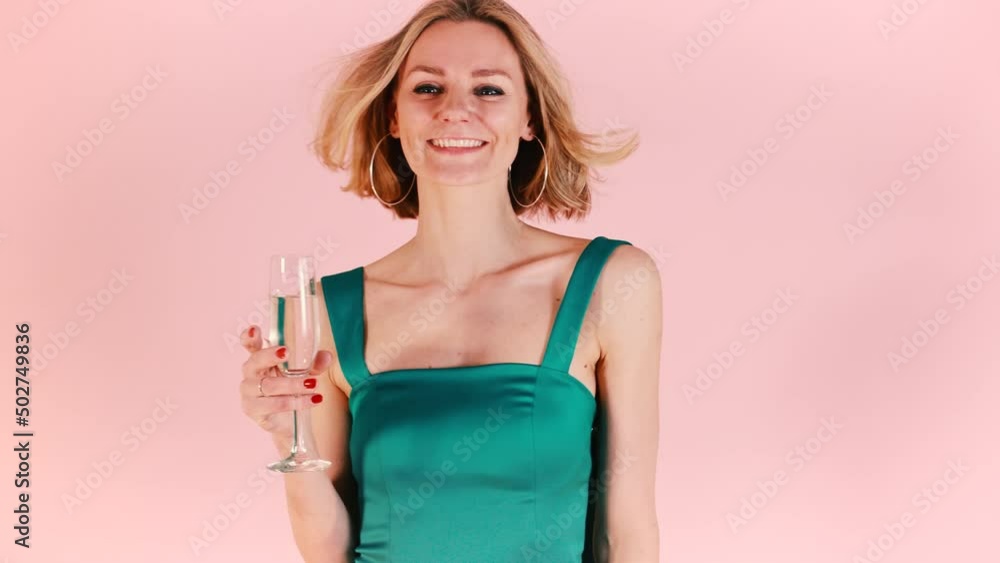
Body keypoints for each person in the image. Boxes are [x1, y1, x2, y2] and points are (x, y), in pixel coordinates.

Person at [239, 1, 661, 560]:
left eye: (488, 89)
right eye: (427, 88)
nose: (455, 110)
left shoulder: (614, 282)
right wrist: (285, 437)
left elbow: (626, 532)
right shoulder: (319, 310)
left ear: (529, 118)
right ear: (394, 116)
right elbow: (330, 551)